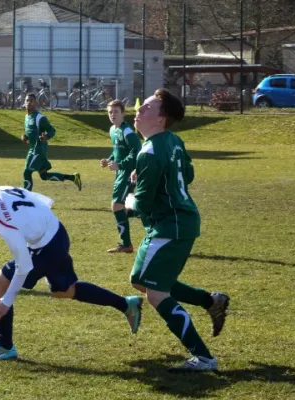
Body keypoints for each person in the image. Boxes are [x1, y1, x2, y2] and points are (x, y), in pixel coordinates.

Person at [0, 170, 142, 361]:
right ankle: (126, 304)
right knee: (65, 291)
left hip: (47, 245)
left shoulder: (5, 220)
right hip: (55, 232)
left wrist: (6, 302)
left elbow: (24, 266)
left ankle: (4, 347)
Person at [125, 88, 230, 371]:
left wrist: (128, 200)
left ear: (161, 119)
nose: (139, 110)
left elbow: (142, 203)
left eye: (147, 107)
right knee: (141, 280)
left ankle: (204, 358)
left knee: (155, 293)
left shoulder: (149, 151)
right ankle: (210, 300)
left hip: (169, 227)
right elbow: (189, 174)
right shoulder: (173, 140)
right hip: (180, 221)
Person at [100, 100, 141, 253]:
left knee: (117, 205)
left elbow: (136, 151)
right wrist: (109, 160)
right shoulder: (113, 130)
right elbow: (118, 151)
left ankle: (126, 244)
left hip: (128, 173)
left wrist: (120, 165)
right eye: (110, 112)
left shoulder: (127, 131)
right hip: (120, 173)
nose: (112, 115)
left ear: (123, 113)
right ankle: (143, 212)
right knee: (122, 206)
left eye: (116, 112)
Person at [21, 93, 82, 192]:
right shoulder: (27, 117)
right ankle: (73, 178)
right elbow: (31, 132)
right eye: (27, 100)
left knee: (27, 172)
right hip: (33, 148)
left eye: (31, 100)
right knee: (44, 176)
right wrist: (25, 137)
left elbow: (51, 130)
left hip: (38, 149)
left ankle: (26, 198)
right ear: (24, 102)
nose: (29, 102)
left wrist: (47, 136)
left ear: (36, 103)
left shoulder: (40, 118)